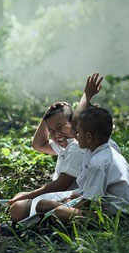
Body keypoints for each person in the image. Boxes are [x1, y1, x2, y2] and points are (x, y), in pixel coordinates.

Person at [8, 73, 104, 222]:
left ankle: (38, 222)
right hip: (66, 195)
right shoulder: (64, 146)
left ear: (74, 125)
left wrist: (27, 196)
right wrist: (48, 114)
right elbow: (38, 145)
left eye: (60, 127)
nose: (56, 134)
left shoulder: (77, 146)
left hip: (70, 195)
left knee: (19, 208)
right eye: (51, 131)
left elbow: (61, 185)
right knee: (19, 202)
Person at [37, 106, 129, 223]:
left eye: (78, 132)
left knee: (59, 213)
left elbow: (90, 202)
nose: (75, 135)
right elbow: (93, 194)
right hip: (105, 207)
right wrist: (77, 198)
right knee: (44, 205)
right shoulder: (97, 152)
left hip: (118, 216)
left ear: (88, 137)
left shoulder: (99, 162)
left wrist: (69, 205)